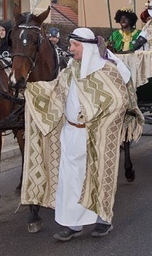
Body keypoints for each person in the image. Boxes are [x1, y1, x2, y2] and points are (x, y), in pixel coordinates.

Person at [20, 27, 143, 241]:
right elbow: (56, 91)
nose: (71, 49)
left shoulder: (107, 71)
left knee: (96, 176)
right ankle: (72, 225)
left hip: (96, 135)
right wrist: (33, 90)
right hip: (70, 134)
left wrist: (95, 118)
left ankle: (103, 220)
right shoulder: (70, 69)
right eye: (71, 45)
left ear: (86, 47)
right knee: (69, 180)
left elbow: (118, 101)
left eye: (75, 45)